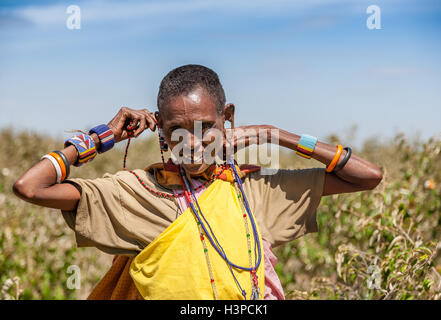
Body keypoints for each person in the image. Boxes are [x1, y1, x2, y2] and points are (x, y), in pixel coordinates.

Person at [13, 64, 383, 300]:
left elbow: (368, 176)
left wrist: (276, 135)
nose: (192, 144)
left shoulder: (253, 187)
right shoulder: (137, 192)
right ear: (160, 127)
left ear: (228, 118)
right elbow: (31, 188)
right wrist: (102, 136)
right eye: (177, 131)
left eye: (207, 128)